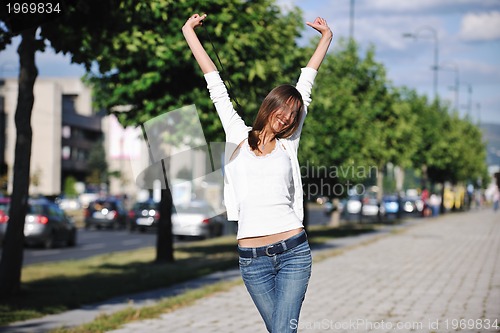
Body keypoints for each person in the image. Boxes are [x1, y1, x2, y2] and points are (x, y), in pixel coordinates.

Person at [183, 13, 332, 333]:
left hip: (294, 253)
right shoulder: (237, 134)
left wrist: (325, 39)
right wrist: (189, 33)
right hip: (252, 261)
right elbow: (215, 84)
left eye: (293, 115)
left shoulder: (288, 144)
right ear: (270, 105)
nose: (286, 118)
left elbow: (306, 83)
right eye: (283, 109)